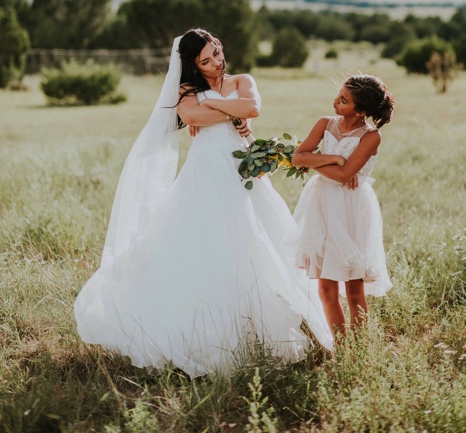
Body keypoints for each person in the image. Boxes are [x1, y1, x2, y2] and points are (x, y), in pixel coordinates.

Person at [74, 29, 333, 377]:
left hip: (243, 169)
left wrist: (213, 104)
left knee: (258, 238)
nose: (215, 63)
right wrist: (228, 111)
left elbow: (253, 107)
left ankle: (263, 322)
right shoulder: (186, 91)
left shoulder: (242, 80)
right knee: (206, 241)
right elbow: (193, 118)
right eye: (205, 61)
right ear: (193, 64)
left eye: (216, 53)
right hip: (205, 172)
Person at [290, 74, 393, 337]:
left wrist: (317, 162)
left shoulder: (371, 137)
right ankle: (341, 346)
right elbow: (297, 158)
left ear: (360, 111)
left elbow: (345, 176)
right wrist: (333, 158)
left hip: (352, 210)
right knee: (325, 287)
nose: (335, 101)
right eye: (338, 95)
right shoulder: (325, 123)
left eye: (343, 100)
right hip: (322, 205)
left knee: (354, 288)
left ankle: (358, 348)